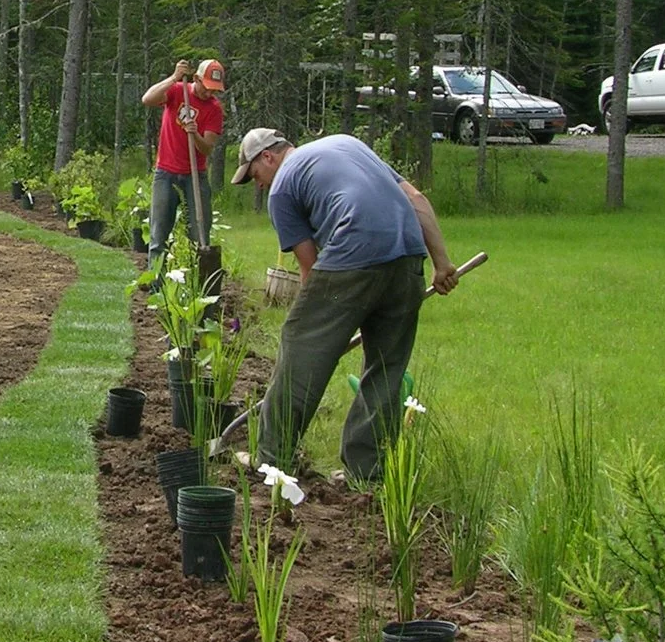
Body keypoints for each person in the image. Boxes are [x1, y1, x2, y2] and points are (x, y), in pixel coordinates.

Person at [232, 126, 463, 481]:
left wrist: (321, 337)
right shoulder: (349, 144)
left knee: (299, 347)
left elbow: (309, 270)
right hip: (409, 257)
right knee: (386, 369)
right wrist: (442, 262)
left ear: (268, 156)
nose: (258, 184)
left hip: (355, 247)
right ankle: (366, 474)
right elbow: (416, 199)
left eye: (254, 175)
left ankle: (271, 459)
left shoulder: (281, 188)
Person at [140, 58, 226, 257]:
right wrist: (174, 77)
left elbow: (206, 149)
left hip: (195, 175)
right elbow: (147, 99)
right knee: (158, 235)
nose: (210, 93)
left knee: (199, 235)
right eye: (207, 87)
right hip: (165, 173)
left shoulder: (214, 109)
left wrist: (195, 134)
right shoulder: (178, 91)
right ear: (196, 78)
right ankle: (157, 284)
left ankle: (195, 282)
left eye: (214, 89)